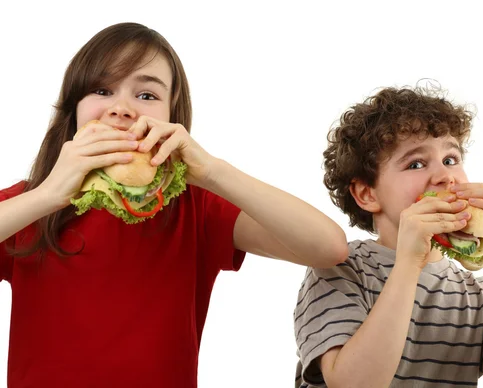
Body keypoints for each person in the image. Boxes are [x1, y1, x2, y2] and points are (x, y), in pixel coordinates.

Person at [0, 22, 348, 388]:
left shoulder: (194, 206)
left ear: (171, 118)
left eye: (146, 95)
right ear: (74, 110)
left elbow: (328, 247)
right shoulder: (30, 203)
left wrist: (213, 172)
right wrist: (48, 195)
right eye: (102, 89)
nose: (122, 109)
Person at [293, 85, 483, 387]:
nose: (445, 176)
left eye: (451, 159)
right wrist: (409, 262)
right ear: (366, 193)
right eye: (416, 163)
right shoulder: (340, 268)